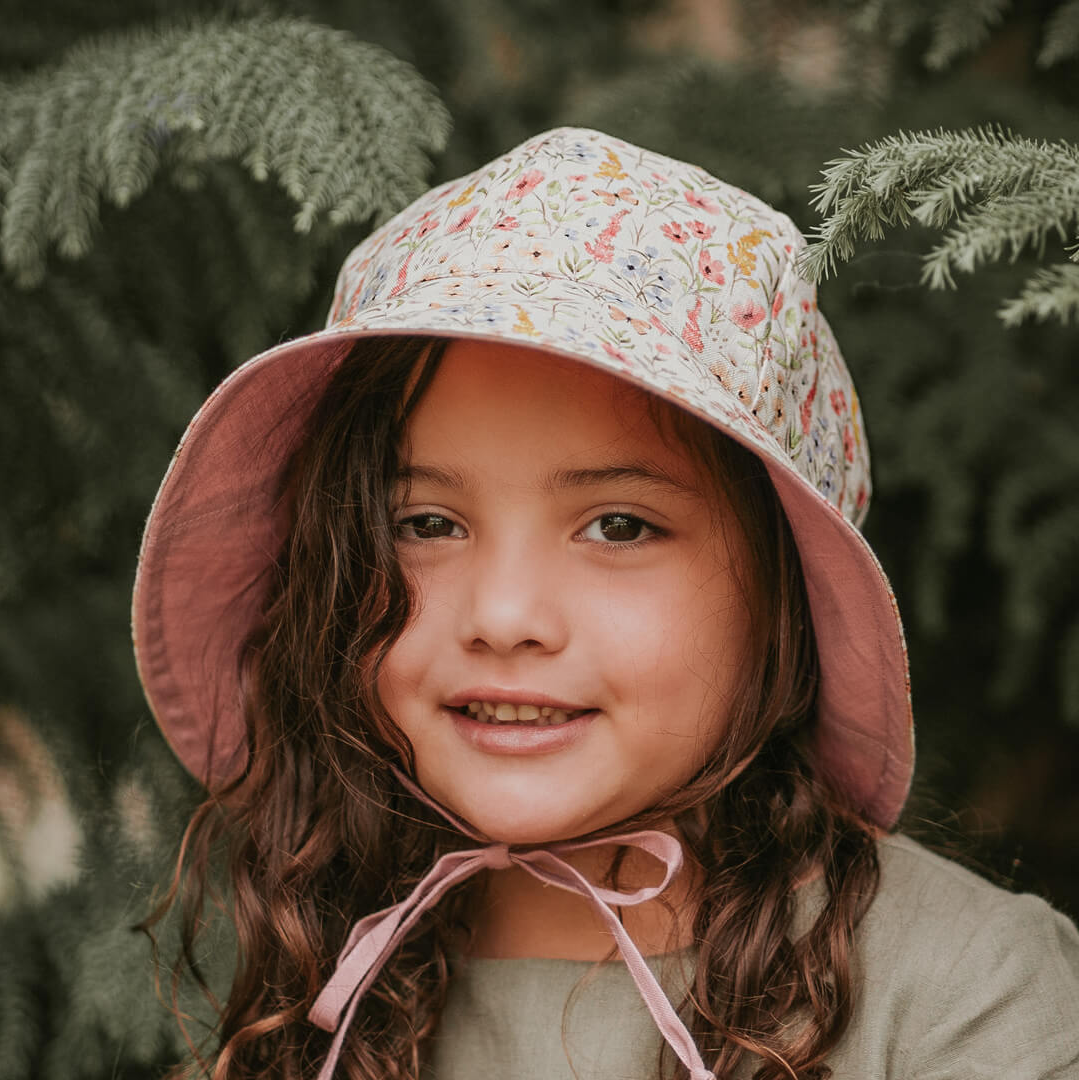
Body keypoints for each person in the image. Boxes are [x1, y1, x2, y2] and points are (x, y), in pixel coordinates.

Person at [133, 127, 1079, 1080]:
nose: (503, 617)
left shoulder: (965, 990)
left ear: (787, 594)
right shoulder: (315, 993)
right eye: (425, 524)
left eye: (619, 527)